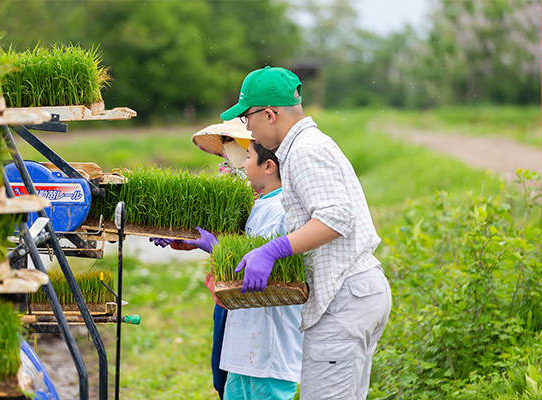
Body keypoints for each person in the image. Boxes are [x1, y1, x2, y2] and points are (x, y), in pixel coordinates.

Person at [218, 66, 392, 400]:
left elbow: (335, 218)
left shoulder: (304, 151)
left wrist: (271, 251)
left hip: (343, 297)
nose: (247, 128)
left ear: (269, 114)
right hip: (356, 291)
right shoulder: (307, 146)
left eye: (247, 119)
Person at [173, 140, 303, 400]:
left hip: (268, 350)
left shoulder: (281, 210)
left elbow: (262, 271)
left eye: (248, 157)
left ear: (268, 166)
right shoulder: (258, 205)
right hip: (243, 346)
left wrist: (218, 249)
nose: (242, 164)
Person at [152, 119, 253, 399]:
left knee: (247, 374)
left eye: (233, 147)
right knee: (222, 375)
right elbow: (219, 232)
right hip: (225, 290)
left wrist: (217, 245)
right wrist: (186, 240)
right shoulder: (228, 181)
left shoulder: (267, 195)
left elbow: (254, 245)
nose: (226, 156)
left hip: (254, 293)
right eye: (224, 149)